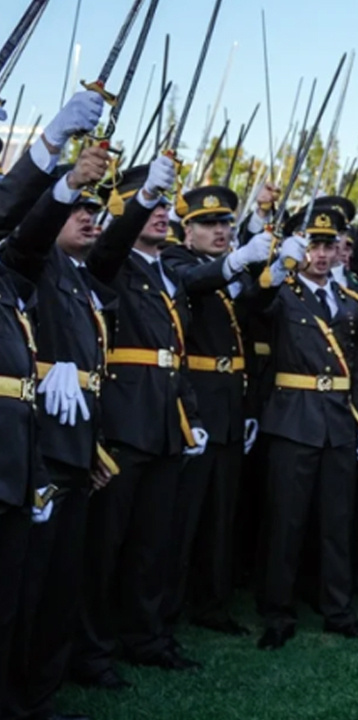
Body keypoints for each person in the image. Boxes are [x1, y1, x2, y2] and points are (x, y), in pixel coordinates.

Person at [71, 154, 208, 688]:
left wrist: (189, 416)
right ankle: (93, 650)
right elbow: (107, 246)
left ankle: (146, 636)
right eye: (143, 204)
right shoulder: (110, 261)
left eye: (160, 204)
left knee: (155, 544)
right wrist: (140, 197)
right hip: (125, 423)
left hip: (165, 421)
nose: (159, 215)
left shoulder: (168, 270)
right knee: (107, 546)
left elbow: (177, 352)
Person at [0, 101, 108, 718]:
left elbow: (25, 245)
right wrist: (49, 145)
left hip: (18, 454)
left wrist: (67, 184)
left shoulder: (10, 269)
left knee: (13, 597)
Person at [247, 206, 358, 650]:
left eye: (328, 246)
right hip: (293, 418)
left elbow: (357, 365)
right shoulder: (283, 292)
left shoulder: (346, 300)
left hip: (338, 422)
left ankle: (338, 610)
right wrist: (280, 262)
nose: (321, 255)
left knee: (337, 523)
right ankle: (277, 613)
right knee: (287, 521)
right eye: (313, 246)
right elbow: (253, 300)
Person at [160, 185, 272, 638]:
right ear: (187, 231)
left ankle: (212, 602)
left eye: (225, 223)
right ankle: (167, 607)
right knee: (183, 515)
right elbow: (198, 281)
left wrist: (273, 270)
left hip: (228, 401)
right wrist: (239, 260)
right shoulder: (176, 261)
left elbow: (252, 307)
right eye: (209, 224)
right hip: (195, 403)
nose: (220, 230)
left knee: (220, 515)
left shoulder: (229, 271)